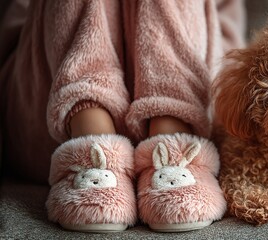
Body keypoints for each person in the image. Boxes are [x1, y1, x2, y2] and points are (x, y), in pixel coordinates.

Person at [0, 0, 245, 232]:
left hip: (195, 101)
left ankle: (172, 126)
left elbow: (229, 42)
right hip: (51, 110)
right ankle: (90, 124)